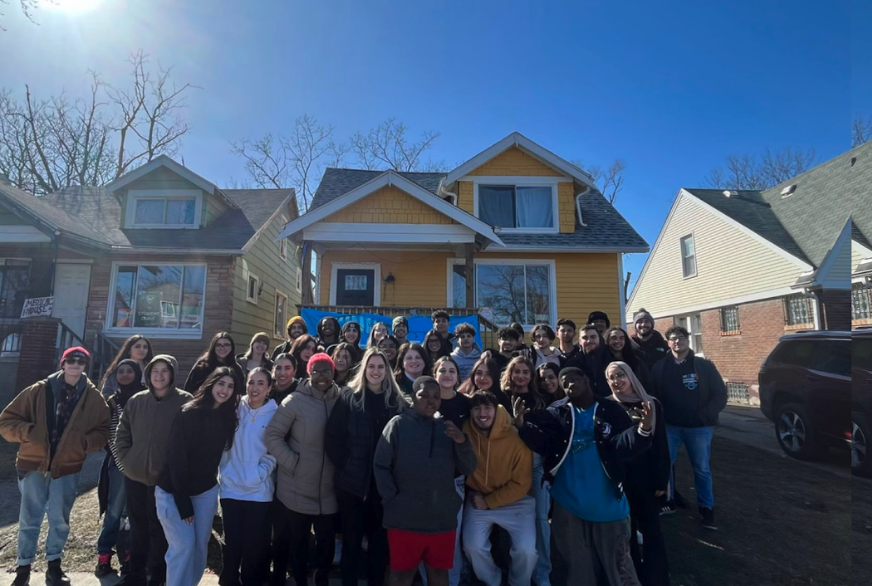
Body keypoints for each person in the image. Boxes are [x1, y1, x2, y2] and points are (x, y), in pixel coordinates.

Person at [515, 368, 653, 586]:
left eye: (573, 379)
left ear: (586, 378)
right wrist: (523, 427)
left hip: (608, 504)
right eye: (564, 383)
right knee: (579, 569)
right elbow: (547, 444)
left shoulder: (610, 409)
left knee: (619, 569)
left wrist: (643, 429)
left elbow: (622, 446)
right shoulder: (557, 411)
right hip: (568, 503)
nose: (569, 385)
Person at [0, 347, 110, 586]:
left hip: (67, 466)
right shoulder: (38, 390)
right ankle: (23, 568)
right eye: (71, 359)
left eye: (81, 361)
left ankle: (54, 566)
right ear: (63, 362)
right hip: (33, 465)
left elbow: (103, 430)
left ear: (86, 365)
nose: (75, 364)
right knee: (29, 518)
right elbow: (7, 420)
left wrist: (85, 443)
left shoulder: (93, 397)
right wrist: (29, 431)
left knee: (60, 519)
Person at [374, 377, 477, 586]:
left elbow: (468, 468)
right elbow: (380, 465)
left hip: (441, 520)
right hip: (404, 520)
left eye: (436, 397)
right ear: (413, 397)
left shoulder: (448, 428)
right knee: (401, 576)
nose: (431, 401)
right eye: (424, 395)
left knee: (439, 574)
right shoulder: (398, 424)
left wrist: (462, 442)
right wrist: (392, 500)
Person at [326, 349, 408, 586]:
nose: (375, 371)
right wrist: (346, 465)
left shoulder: (397, 402)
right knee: (351, 544)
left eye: (380, 367)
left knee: (379, 545)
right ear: (364, 368)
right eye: (371, 366)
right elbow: (333, 436)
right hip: (353, 485)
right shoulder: (349, 397)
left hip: (384, 487)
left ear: (387, 370)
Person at [156, 367, 239, 586]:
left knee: (200, 547)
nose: (225, 390)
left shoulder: (228, 416)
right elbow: (176, 458)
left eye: (230, 386)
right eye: (221, 384)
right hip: (173, 490)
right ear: (211, 384)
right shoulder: (189, 412)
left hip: (205, 491)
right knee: (183, 545)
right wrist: (183, 502)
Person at [115, 355, 192, 586]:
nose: (159, 375)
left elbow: (192, 440)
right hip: (136, 476)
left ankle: (158, 576)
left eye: (164, 371)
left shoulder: (185, 402)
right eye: (155, 370)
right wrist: (127, 461)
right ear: (148, 374)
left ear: (172, 374)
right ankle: (135, 574)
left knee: (161, 529)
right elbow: (122, 433)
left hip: (165, 479)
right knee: (137, 527)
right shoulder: (137, 400)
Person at [265, 353, 341, 586]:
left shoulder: (343, 399)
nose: (321, 377)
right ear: (308, 373)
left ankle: (320, 577)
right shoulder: (295, 401)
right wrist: (293, 462)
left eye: (326, 371)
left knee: (326, 543)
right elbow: (272, 435)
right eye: (316, 372)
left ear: (333, 373)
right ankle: (300, 580)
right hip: (296, 486)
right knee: (298, 542)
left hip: (329, 489)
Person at [649, 325, 727, 529]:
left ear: (688, 340)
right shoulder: (660, 367)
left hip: (699, 428)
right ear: (668, 343)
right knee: (666, 465)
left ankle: (706, 508)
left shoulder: (703, 366)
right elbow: (653, 394)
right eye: (673, 338)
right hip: (670, 427)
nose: (677, 341)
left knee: (701, 469)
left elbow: (720, 394)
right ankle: (668, 501)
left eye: (681, 338)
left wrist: (704, 415)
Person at [462, 392, 536, 586]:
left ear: (496, 410)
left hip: (516, 501)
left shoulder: (515, 437)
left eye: (487, 408)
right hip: (478, 498)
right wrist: (483, 500)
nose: (482, 413)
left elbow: (522, 483)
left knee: (526, 550)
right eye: (477, 408)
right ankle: (493, 581)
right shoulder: (465, 431)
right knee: (473, 546)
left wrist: (489, 502)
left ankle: (518, 582)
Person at [606, 362, 670, 586]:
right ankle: (631, 577)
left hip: (646, 476)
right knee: (626, 532)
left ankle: (656, 578)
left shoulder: (650, 403)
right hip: (620, 477)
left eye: (620, 375)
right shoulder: (606, 406)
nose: (617, 381)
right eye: (612, 377)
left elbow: (661, 443)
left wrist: (662, 478)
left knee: (652, 529)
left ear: (630, 376)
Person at [219, 368, 278, 586]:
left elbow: (275, 451)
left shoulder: (275, 413)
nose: (255, 388)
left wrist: (259, 474)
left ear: (269, 388)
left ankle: (250, 580)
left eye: (261, 383)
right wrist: (225, 471)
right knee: (232, 542)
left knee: (254, 544)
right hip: (231, 487)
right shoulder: (234, 408)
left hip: (258, 490)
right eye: (251, 382)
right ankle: (229, 580)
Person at [499, 355, 550, 586]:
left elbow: (544, 436)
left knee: (541, 518)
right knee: (511, 519)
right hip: (508, 465)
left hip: (536, 463)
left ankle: (542, 573)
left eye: (525, 372)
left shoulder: (540, 400)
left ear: (531, 375)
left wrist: (523, 425)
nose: (520, 376)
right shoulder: (501, 397)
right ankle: (514, 570)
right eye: (516, 371)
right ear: (509, 373)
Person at [96, 359, 145, 577]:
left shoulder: (146, 398)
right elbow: (110, 434)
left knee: (136, 512)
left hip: (143, 464)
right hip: (119, 464)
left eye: (129, 371)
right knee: (114, 511)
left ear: (137, 373)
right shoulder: (112, 402)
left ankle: (131, 554)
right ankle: (104, 554)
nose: (125, 375)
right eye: (121, 372)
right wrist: (123, 463)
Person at [563, 324, 610, 398]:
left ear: (599, 338)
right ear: (580, 341)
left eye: (593, 337)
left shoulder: (611, 361)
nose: (589, 341)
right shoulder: (573, 364)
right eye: (585, 338)